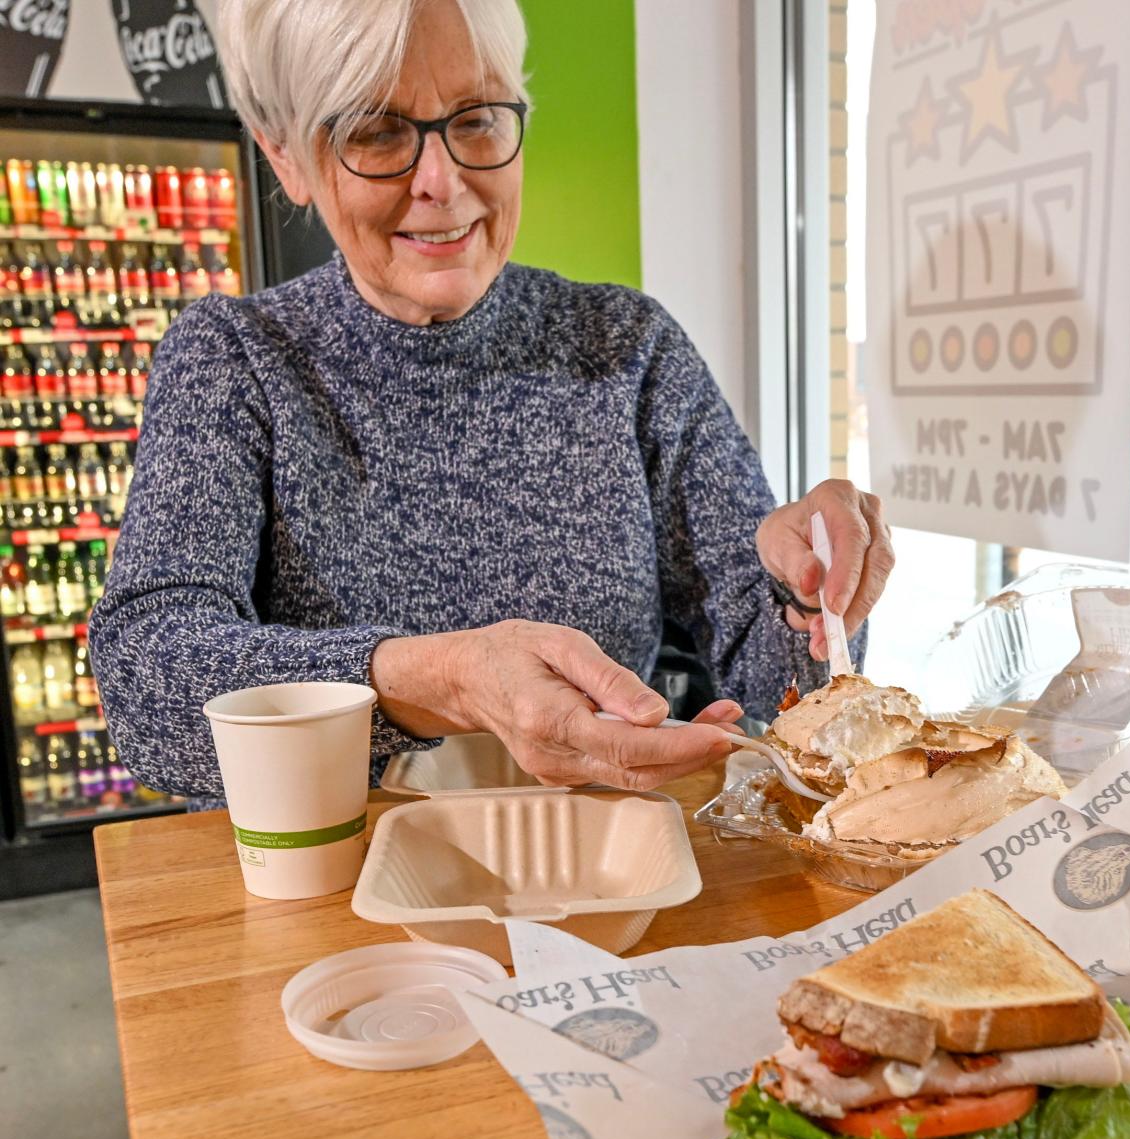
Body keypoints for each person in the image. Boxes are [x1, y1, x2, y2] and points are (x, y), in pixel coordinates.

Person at [88, 0, 895, 801]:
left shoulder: (625, 345)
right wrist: (444, 681)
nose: (442, 182)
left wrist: (810, 586)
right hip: (336, 901)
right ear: (286, 157)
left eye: (475, 119)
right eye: (375, 131)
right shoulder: (236, 359)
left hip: (608, 882)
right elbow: (148, 684)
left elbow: (778, 677)